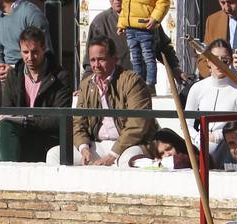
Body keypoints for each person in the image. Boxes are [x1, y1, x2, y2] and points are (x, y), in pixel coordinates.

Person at [54, 36, 156, 167]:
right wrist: (84, 148)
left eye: (101, 59)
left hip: (130, 145)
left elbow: (137, 124)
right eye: (92, 60)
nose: (96, 65)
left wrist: (113, 155)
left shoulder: (133, 81)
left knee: (126, 161)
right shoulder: (86, 84)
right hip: (98, 145)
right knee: (55, 154)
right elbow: (78, 122)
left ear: (115, 59)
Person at [0, 26, 70, 162]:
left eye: (35, 52)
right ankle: (8, 178)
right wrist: (20, 122)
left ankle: (7, 179)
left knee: (4, 135)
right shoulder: (14, 74)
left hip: (47, 137)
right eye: (25, 52)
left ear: (44, 49)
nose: (30, 57)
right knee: (4, 130)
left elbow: (59, 119)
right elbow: (7, 109)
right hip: (20, 133)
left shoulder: (60, 76)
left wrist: (26, 121)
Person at [184, 39, 237, 152]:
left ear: (230, 62)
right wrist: (197, 137)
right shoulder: (197, 87)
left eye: (224, 60)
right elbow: (186, 123)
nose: (219, 64)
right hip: (199, 142)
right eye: (214, 59)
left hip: (227, 145)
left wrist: (218, 136)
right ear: (208, 61)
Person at [0, 0, 48, 74]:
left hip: (30, 76)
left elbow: (45, 55)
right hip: (7, 78)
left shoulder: (30, 14)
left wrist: (14, 70)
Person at [119, 0, 167, 88]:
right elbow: (125, 6)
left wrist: (155, 18)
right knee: (135, 58)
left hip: (145, 27)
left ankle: (150, 83)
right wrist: (121, 24)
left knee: (148, 57)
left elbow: (163, 2)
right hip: (130, 28)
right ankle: (138, 83)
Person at [87, 0, 131, 74]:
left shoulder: (147, 20)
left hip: (142, 79)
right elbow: (90, 60)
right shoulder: (100, 23)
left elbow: (157, 48)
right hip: (114, 80)